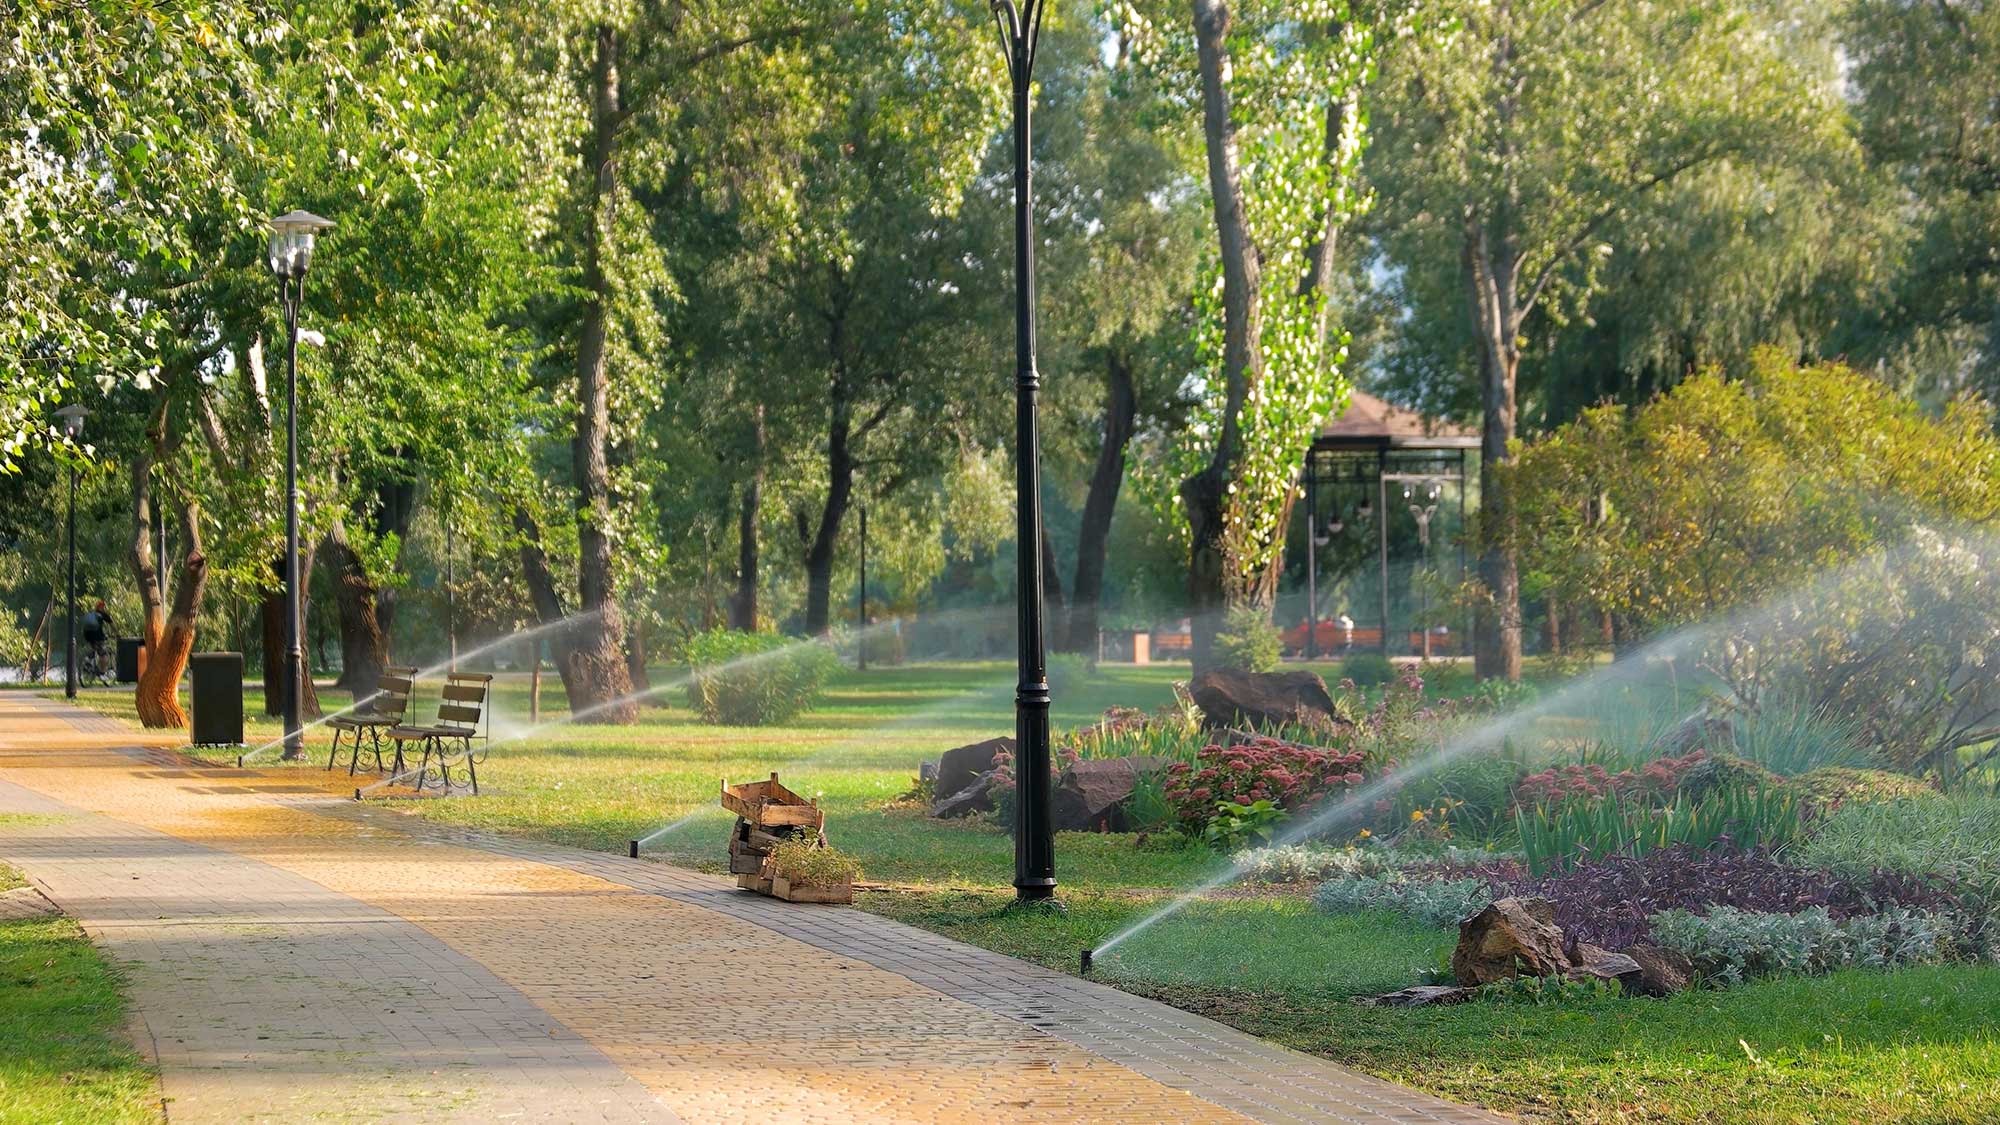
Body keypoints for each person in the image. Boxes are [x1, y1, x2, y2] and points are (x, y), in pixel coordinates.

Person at [81, 600, 113, 671]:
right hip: (97, 635)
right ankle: (102, 671)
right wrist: (117, 634)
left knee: (93, 648)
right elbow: (112, 625)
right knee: (103, 653)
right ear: (103, 607)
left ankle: (88, 662)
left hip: (87, 634)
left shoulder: (92, 613)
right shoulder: (103, 614)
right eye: (104, 607)